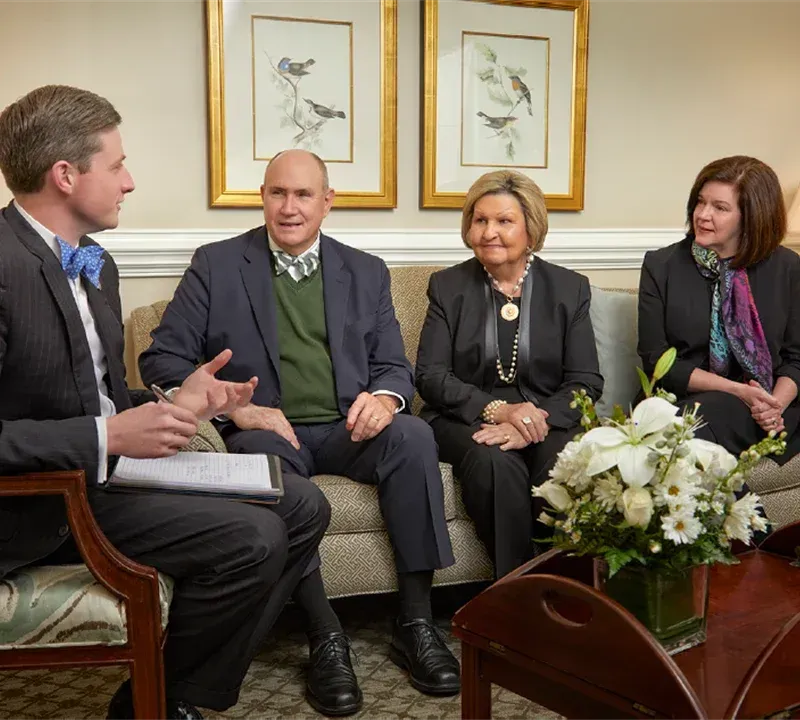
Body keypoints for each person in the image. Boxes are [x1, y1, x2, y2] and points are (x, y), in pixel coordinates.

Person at [0, 85, 333, 720]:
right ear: (66, 175)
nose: (129, 182)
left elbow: (87, 393)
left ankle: (165, 695)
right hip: (41, 501)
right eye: (117, 164)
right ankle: (165, 705)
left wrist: (179, 400)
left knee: (302, 503)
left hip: (104, 474)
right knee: (256, 536)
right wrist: (107, 439)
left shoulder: (94, 262)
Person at [138, 149, 461, 702]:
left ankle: (414, 622)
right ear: (262, 197)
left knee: (414, 436)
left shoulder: (364, 270)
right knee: (269, 471)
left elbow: (392, 367)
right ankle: (325, 636)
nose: (289, 208)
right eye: (277, 193)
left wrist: (385, 399)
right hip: (268, 431)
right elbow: (161, 360)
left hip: (347, 429)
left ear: (327, 202)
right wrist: (234, 408)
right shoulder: (216, 265)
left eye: (303, 194)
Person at [415, 170, 604, 578]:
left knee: (562, 456)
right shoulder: (447, 287)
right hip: (463, 417)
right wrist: (500, 411)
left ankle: (570, 590)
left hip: (547, 415)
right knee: (494, 461)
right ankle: (518, 595)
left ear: (530, 229)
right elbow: (430, 376)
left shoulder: (569, 289)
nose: (489, 232)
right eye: (480, 220)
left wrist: (534, 420)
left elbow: (585, 382)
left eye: (504, 221)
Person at [638, 155, 800, 464]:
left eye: (720, 208)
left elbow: (797, 357)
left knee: (684, 435)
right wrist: (739, 391)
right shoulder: (662, 266)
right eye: (701, 202)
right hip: (681, 399)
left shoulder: (788, 268)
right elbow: (655, 359)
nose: (703, 215)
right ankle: (746, 514)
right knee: (682, 429)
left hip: (766, 407)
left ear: (752, 217)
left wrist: (773, 406)